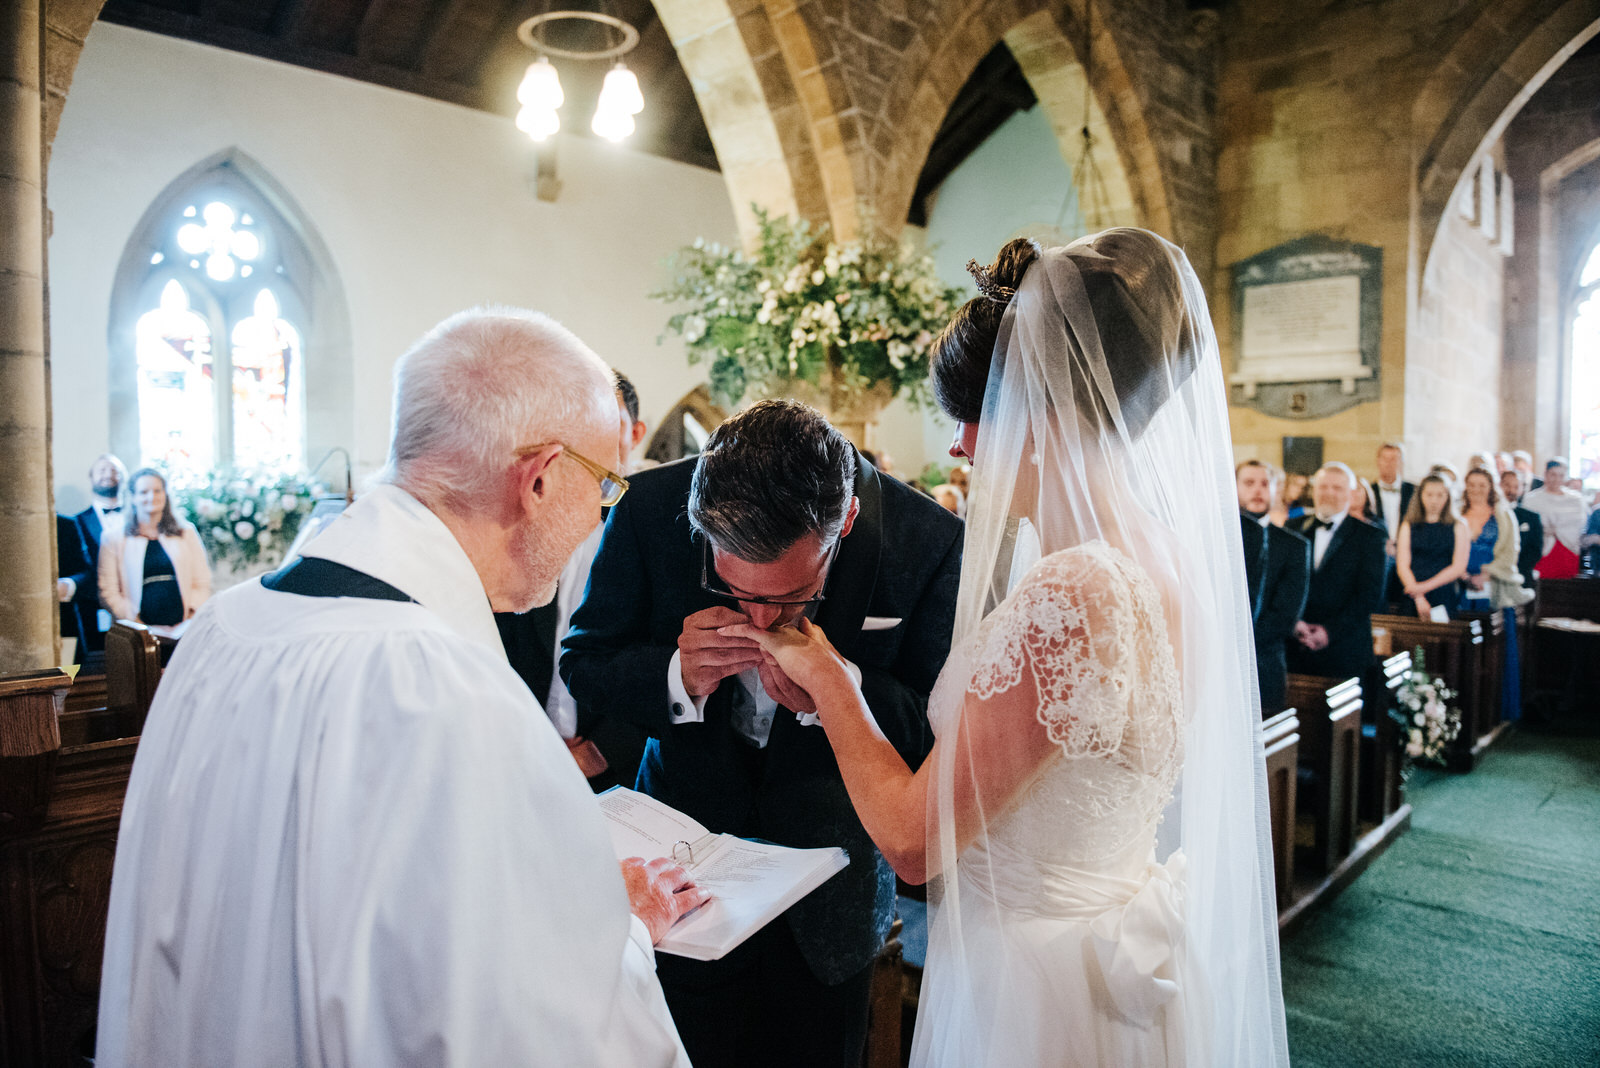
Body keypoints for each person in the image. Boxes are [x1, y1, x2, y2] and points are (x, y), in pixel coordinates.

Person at [725, 231, 1289, 1065]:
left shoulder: (1076, 592)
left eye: (972, 414)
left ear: (1041, 408)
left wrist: (833, 686)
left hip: (1037, 984)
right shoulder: (1167, 559)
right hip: (1109, 950)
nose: (958, 444)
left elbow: (917, 841)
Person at [97, 308, 707, 1068]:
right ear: (542, 479)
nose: (603, 514)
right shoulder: (451, 695)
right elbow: (518, 1026)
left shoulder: (226, 628)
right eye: (607, 484)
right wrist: (620, 930)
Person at [561, 399, 963, 1068]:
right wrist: (673, 674)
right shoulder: (651, 506)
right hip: (678, 879)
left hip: (830, 904)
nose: (760, 614)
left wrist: (842, 693)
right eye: (734, 588)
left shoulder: (928, 540)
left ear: (847, 523)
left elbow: (935, 725)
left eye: (791, 594)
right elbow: (586, 662)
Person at [1289, 462, 1388, 679]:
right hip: (1295, 647)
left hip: (1344, 649)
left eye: (1337, 488)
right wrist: (1295, 622)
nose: (1329, 493)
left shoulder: (1370, 537)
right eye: (1323, 487)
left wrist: (1329, 631)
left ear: (1351, 494)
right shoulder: (1292, 528)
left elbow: (1370, 596)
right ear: (1314, 491)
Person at [97, 467, 211, 633]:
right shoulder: (113, 538)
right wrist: (137, 623)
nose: (152, 497)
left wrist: (190, 617)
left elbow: (202, 581)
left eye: (157, 491)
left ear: (165, 494)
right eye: (144, 492)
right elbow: (108, 591)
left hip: (184, 628)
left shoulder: (186, 532)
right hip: (137, 631)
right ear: (133, 497)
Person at [1238, 460, 1310, 715]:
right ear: (1235, 487)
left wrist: (1240, 642)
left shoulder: (1294, 546)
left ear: (1276, 489)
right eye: (1248, 483)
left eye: (1265, 484)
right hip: (1220, 663)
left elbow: (1286, 613)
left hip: (1264, 663)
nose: (1257, 490)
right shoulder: (1220, 541)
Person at [59, 453, 126, 653]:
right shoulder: (76, 522)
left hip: (138, 606)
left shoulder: (138, 520)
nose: (108, 475)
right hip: (94, 608)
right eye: (102, 470)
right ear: (91, 477)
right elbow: (81, 567)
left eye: (114, 470)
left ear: (123, 477)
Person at [1395, 473, 1469, 618]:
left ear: (1448, 497)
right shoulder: (1408, 525)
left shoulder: (1458, 526)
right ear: (1421, 495)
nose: (1434, 500)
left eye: (1440, 495)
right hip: (1412, 592)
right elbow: (1402, 565)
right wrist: (1418, 596)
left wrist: (1423, 588)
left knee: (1441, 639)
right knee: (1411, 639)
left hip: (1442, 590)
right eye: (1429, 495)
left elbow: (1458, 567)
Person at [1459, 467, 1528, 611]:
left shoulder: (1504, 516)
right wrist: (1465, 576)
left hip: (1494, 583)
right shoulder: (1457, 514)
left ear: (1491, 487)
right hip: (1459, 581)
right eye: (1471, 485)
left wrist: (1486, 574)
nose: (1476, 489)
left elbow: (1511, 552)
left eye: (1482, 485)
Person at [1521, 457, 1588, 578]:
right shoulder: (1532, 499)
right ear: (1545, 474)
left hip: (1567, 550)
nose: (1557, 479)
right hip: (1541, 550)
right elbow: (1528, 525)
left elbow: (1579, 524)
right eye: (1553, 474)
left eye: (1561, 475)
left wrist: (1557, 528)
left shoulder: (1576, 500)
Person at [1500, 469, 1545, 587]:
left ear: (1522, 489)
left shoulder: (1531, 517)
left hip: (1521, 575)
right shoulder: (1490, 515)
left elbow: (1536, 550)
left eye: (1516, 486)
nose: (1511, 490)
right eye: (1507, 485)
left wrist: (1514, 568)